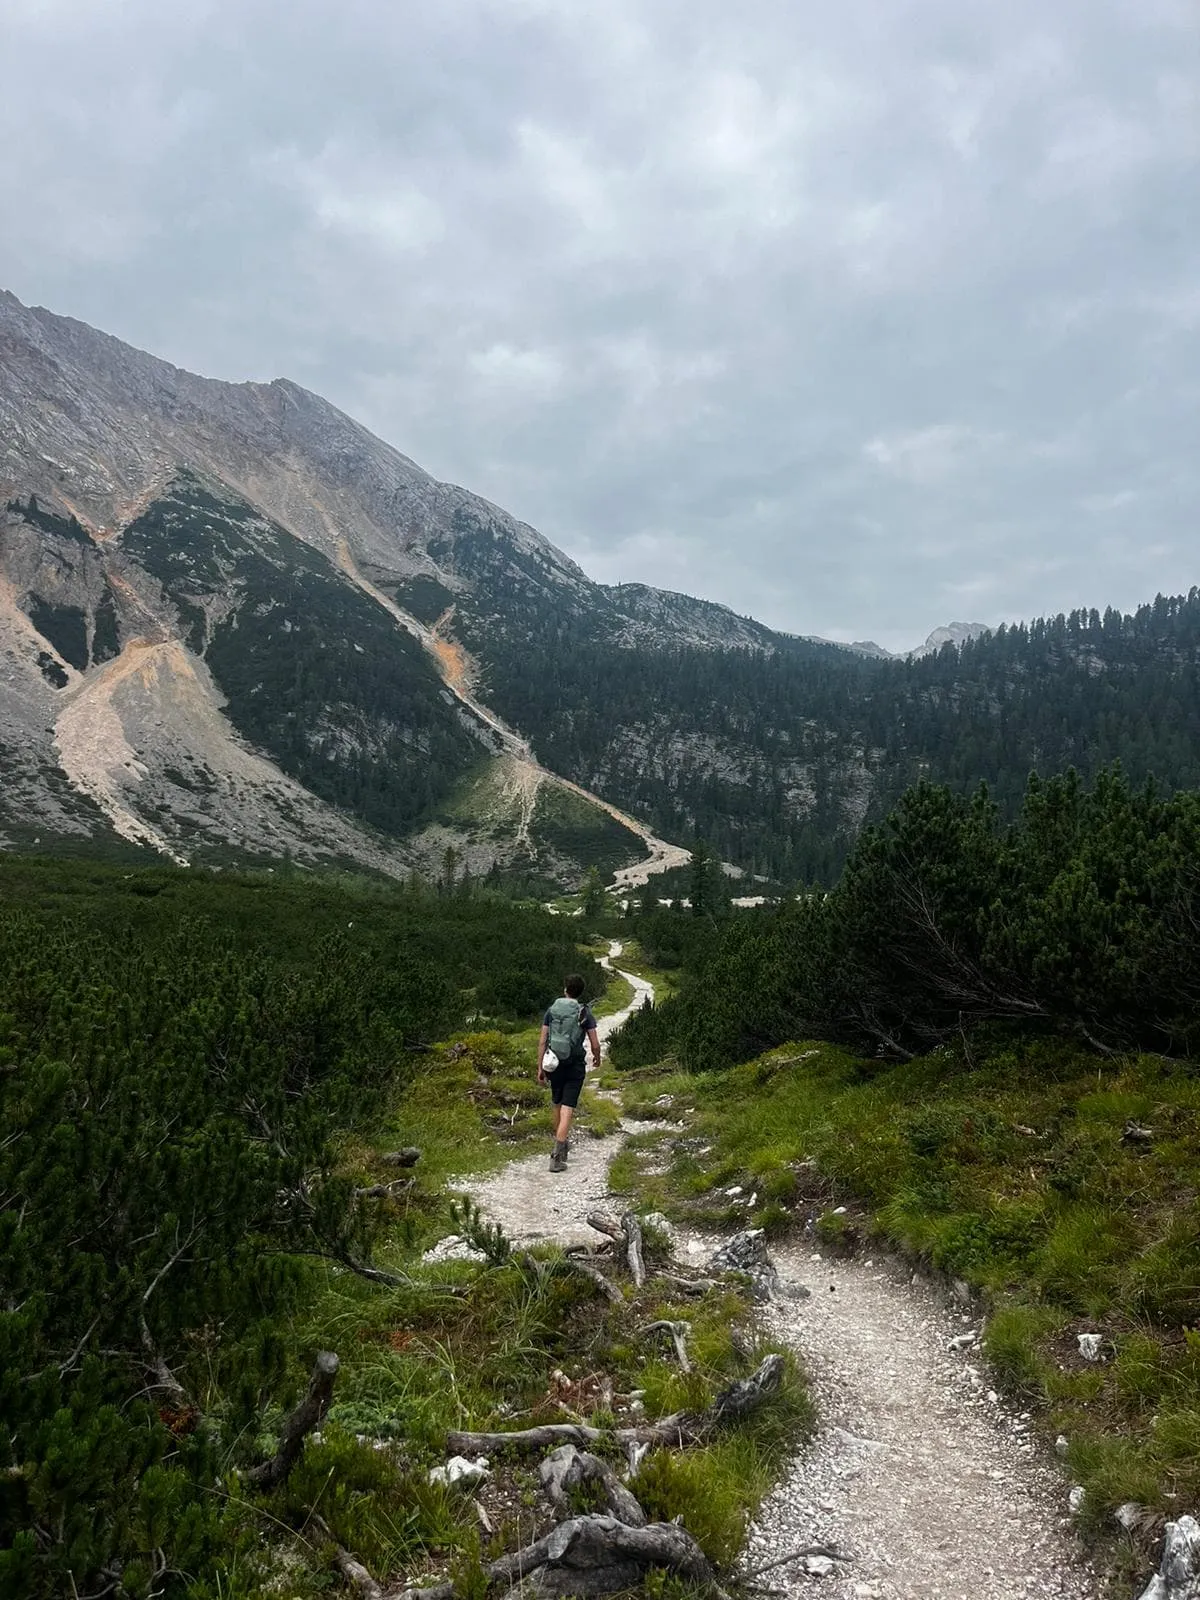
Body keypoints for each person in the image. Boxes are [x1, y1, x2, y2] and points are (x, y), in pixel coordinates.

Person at [537, 973, 601, 1172]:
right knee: (568, 1107)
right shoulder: (584, 1012)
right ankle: (558, 1155)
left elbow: (542, 1040)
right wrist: (597, 1058)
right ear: (580, 992)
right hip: (574, 1064)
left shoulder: (552, 1010)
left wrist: (540, 1067)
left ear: (565, 989)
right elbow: (595, 1043)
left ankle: (561, 1146)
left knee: (557, 1103)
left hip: (553, 1063)